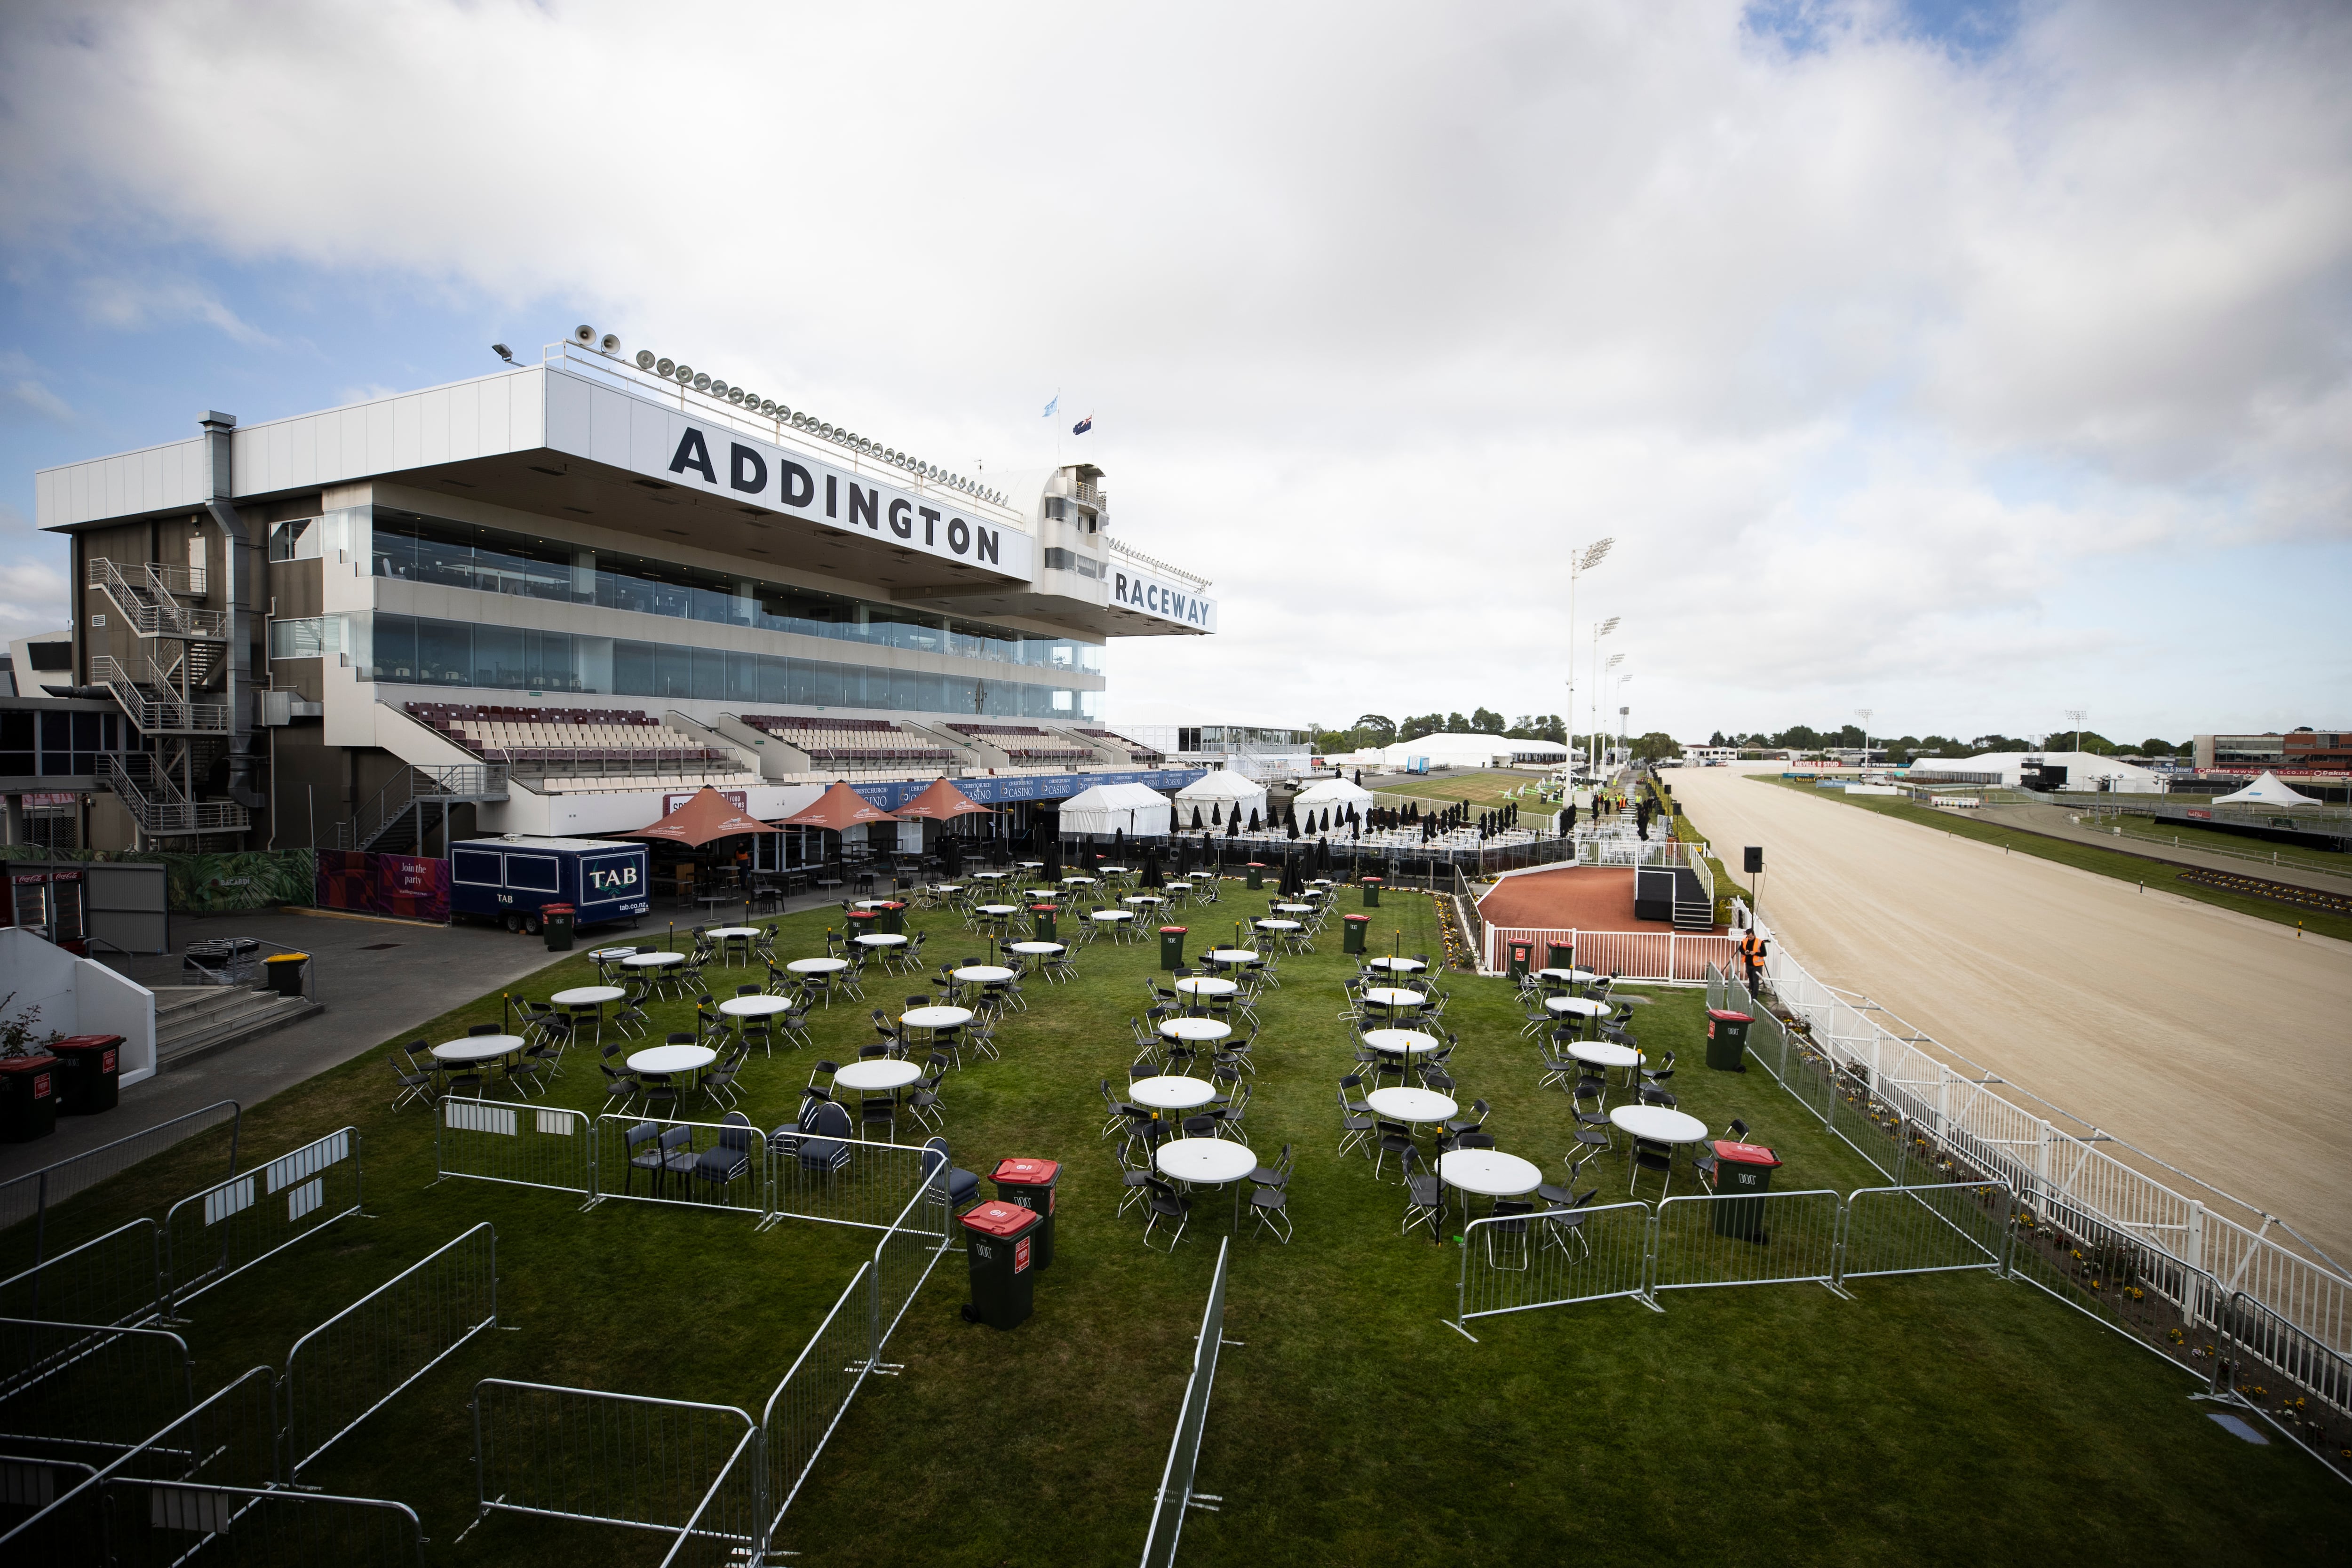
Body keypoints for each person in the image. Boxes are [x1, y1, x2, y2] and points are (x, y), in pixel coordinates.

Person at [1738, 927, 1767, 995]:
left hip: (1757, 965)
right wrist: (1745, 952)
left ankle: (1754, 996)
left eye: (1751, 937)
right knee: (1751, 980)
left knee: (1755, 980)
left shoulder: (1760, 942)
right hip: (1749, 964)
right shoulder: (1745, 941)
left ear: (1754, 935)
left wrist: (1755, 953)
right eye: (1748, 937)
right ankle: (1752, 992)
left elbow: (1764, 954)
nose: (1750, 938)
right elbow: (1741, 949)